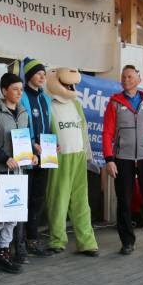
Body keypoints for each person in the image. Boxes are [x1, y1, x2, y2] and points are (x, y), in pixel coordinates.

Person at [103, 65, 143, 256]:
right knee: (124, 201)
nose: (126, 80)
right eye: (123, 77)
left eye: (130, 77)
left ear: (139, 79)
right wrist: (109, 159)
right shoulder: (115, 103)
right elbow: (107, 133)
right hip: (123, 158)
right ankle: (127, 242)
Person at [0, 73, 35, 276]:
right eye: (15, 89)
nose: (19, 93)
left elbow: (26, 139)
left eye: (21, 89)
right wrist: (5, 158)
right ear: (4, 91)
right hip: (2, 172)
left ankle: (4, 252)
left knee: (13, 217)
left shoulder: (23, 112)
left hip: (20, 172)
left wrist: (32, 155)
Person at [46, 67, 100, 256]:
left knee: (81, 201)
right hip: (59, 158)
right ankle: (57, 240)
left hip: (78, 156)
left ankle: (87, 242)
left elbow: (83, 129)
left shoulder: (76, 104)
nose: (71, 87)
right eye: (67, 85)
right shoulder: (48, 104)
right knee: (58, 199)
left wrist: (88, 155)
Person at [12, 57, 53, 262]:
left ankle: (33, 239)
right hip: (27, 154)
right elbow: (22, 123)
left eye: (44, 74)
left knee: (38, 197)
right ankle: (18, 242)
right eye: (38, 73)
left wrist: (53, 144)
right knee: (24, 198)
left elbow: (49, 124)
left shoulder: (45, 98)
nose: (42, 77)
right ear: (29, 76)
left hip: (45, 154)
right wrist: (31, 143)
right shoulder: (23, 96)